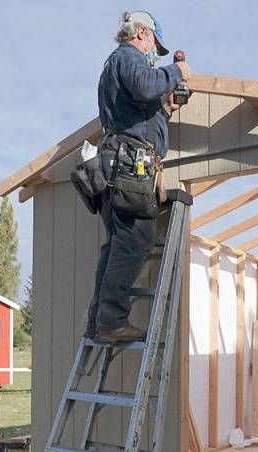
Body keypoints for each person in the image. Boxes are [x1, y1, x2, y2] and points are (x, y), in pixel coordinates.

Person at [86, 10, 190, 343]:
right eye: (153, 46)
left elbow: (140, 106)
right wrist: (176, 71)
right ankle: (112, 322)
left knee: (117, 244)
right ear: (142, 33)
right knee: (136, 240)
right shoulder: (127, 57)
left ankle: (99, 323)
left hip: (118, 162)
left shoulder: (118, 65)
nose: (152, 55)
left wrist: (165, 109)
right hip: (128, 164)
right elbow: (146, 85)